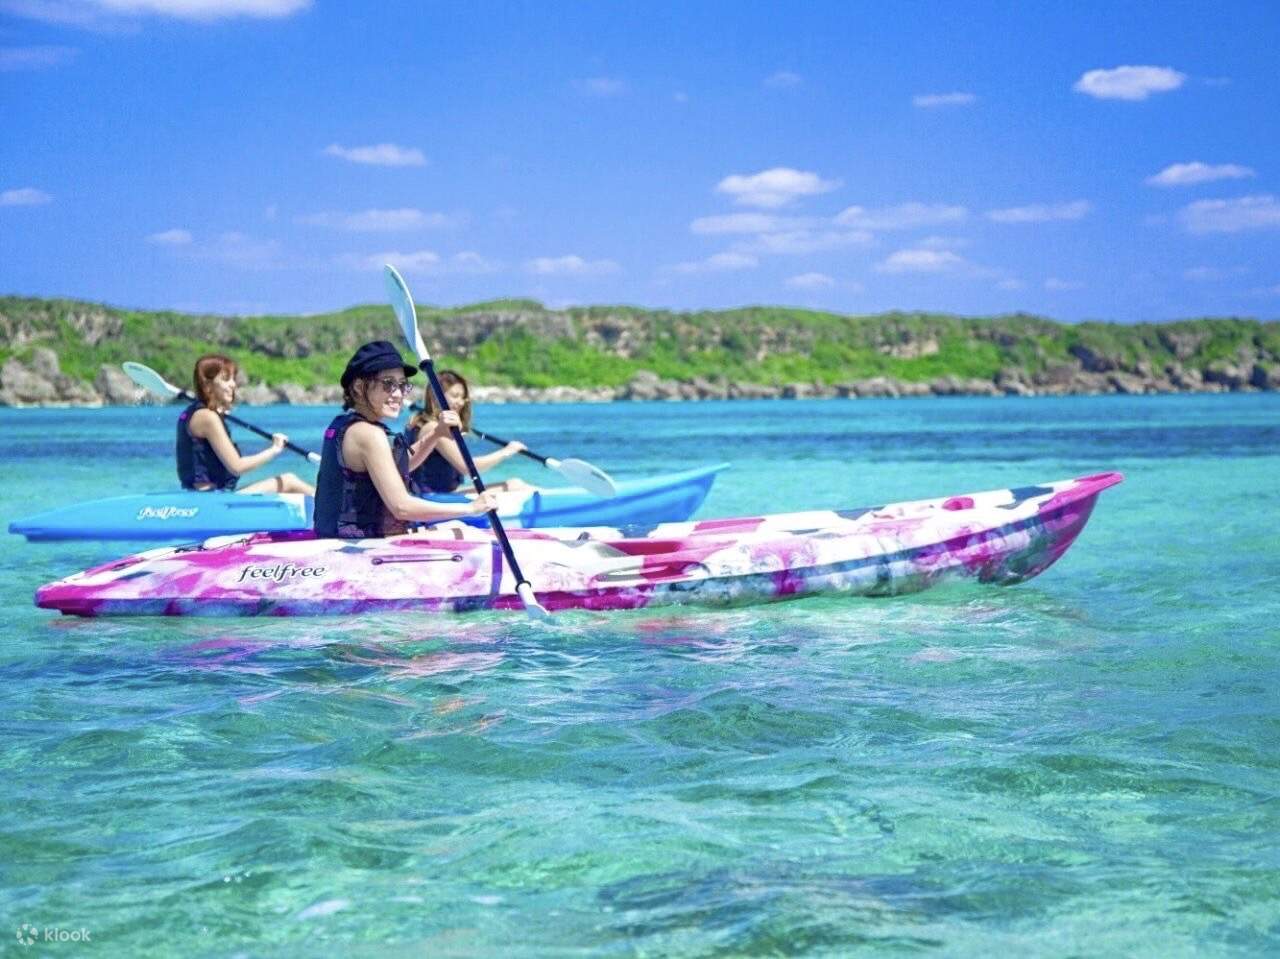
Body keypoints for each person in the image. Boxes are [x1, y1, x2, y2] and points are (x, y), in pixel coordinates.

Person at [313, 342, 498, 539]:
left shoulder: (345, 424)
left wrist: (436, 433)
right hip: (362, 548)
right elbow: (401, 507)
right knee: (465, 533)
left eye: (402, 385)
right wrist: (471, 508)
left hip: (339, 538)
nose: (398, 394)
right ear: (359, 387)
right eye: (388, 384)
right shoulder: (368, 434)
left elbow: (401, 465)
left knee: (457, 528)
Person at [176, 354, 315, 496]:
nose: (233, 384)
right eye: (225, 379)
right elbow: (237, 466)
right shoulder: (207, 417)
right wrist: (274, 449)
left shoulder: (196, 413)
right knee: (288, 481)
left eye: (233, 379)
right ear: (207, 386)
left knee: (285, 485)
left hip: (210, 495)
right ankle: (333, 509)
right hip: (210, 500)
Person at [403, 369, 532, 496]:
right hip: (433, 500)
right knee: (515, 486)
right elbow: (467, 467)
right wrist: (506, 452)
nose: (460, 402)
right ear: (436, 395)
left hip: (442, 495)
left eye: (463, 397)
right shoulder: (433, 428)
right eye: (455, 396)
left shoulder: (423, 421)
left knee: (515, 483)